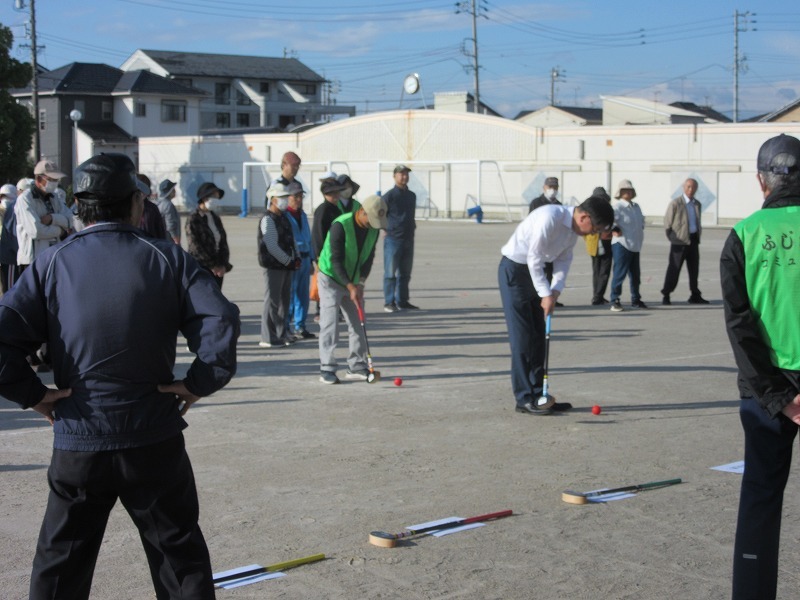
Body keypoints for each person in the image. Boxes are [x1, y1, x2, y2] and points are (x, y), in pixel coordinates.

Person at [0, 152, 239, 600]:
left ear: (79, 204)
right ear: (136, 203)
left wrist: (34, 394)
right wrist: (198, 382)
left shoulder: (52, 264)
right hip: (152, 438)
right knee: (179, 559)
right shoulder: (166, 258)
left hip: (79, 442)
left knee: (59, 567)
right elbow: (220, 321)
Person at [721, 134, 800, 600]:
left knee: (761, 502)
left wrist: (779, 396)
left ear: (761, 181)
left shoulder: (744, 235)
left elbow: (740, 325)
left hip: (765, 391)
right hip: (775, 391)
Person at [498, 196, 614, 415]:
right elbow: (533, 258)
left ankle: (540, 394)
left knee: (539, 337)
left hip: (540, 271)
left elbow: (563, 259)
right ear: (584, 217)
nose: (592, 234)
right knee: (523, 338)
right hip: (515, 271)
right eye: (594, 229)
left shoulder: (574, 229)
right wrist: (545, 294)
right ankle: (524, 399)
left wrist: (556, 290)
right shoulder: (549, 218)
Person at [318, 194, 388, 384]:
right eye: (372, 219)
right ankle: (327, 367)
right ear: (362, 212)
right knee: (330, 322)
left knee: (358, 321)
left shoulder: (372, 229)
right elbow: (335, 260)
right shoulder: (340, 225)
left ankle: (357, 365)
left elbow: (369, 257)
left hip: (353, 279)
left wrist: (360, 283)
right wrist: (350, 286)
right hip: (330, 277)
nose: (374, 224)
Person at [258, 181, 300, 348]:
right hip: (274, 266)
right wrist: (288, 260)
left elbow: (292, 239)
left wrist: (296, 257)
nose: (285, 200)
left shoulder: (284, 218)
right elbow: (271, 245)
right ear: (272, 199)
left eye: (285, 197)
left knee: (284, 302)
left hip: (287, 265)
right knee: (272, 302)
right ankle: (268, 337)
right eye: (281, 197)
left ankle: (282, 333)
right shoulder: (267, 219)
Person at [15, 159, 73, 271]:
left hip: (52, 256)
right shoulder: (25, 199)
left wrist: (53, 218)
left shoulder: (54, 197)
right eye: (51, 179)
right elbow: (36, 231)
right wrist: (60, 231)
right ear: (39, 179)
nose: (55, 183)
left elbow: (71, 220)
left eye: (56, 180)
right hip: (32, 260)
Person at [661, 177, 709, 305]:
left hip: (693, 240)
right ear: (683, 188)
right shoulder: (676, 203)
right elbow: (667, 223)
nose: (690, 189)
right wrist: (673, 238)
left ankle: (695, 294)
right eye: (688, 187)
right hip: (679, 241)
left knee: (694, 270)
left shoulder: (697, 204)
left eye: (693, 187)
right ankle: (666, 294)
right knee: (674, 269)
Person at [383, 164, 419, 312]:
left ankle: (403, 301)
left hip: (408, 238)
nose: (404, 177)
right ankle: (389, 302)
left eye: (406, 174)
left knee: (405, 273)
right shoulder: (389, 196)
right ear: (394, 176)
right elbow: (379, 213)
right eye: (401, 174)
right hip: (393, 239)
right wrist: (384, 229)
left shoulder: (411, 196)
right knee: (390, 273)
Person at [609, 180, 647, 312]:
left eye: (630, 190)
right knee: (619, 274)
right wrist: (614, 229)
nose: (628, 192)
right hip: (622, 244)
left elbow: (641, 221)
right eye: (625, 190)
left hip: (635, 244)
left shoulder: (636, 207)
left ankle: (636, 299)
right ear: (620, 193)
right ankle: (615, 300)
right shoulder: (617, 207)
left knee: (635, 275)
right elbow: (609, 220)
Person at [186, 181, 232, 288]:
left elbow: (222, 241)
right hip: (202, 267)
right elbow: (195, 246)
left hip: (218, 268)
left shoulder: (215, 217)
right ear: (204, 198)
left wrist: (223, 264)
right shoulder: (193, 218)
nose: (216, 200)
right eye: (213, 197)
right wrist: (212, 265)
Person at [286, 181, 315, 339]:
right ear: (288, 197)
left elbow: (308, 238)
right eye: (295, 196)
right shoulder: (285, 215)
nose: (298, 199)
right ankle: (286, 326)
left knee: (303, 295)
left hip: (305, 259)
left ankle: (300, 326)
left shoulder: (302, 215)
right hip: (293, 259)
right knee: (290, 295)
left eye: (300, 196)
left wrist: (311, 260)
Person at [528, 176, 564, 305]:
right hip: (539, 241)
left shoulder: (559, 205)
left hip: (553, 243)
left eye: (555, 187)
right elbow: (530, 222)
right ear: (544, 188)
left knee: (551, 271)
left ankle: (550, 298)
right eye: (550, 187)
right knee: (538, 270)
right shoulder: (536, 203)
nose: (552, 190)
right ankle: (537, 297)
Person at [585, 186, 613, 305]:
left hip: (597, 242)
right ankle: (598, 296)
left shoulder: (589, 209)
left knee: (598, 271)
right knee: (603, 271)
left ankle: (597, 295)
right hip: (600, 242)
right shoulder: (604, 208)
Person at [0, 183, 19, 293]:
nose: (5, 199)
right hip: (8, 256)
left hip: (7, 255)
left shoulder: (12, 211)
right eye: (3, 197)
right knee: (9, 289)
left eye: (8, 197)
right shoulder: (10, 212)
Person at [136, 175, 167, 239]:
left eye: (146, 188)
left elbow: (160, 231)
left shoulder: (152, 208)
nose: (143, 192)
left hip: (151, 245)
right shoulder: (128, 208)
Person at [157, 178, 181, 245]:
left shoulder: (159, 203)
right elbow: (171, 225)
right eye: (173, 190)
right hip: (169, 240)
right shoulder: (168, 205)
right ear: (169, 192)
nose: (175, 191)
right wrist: (176, 240)